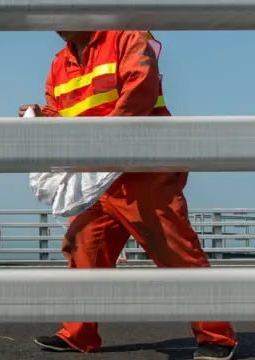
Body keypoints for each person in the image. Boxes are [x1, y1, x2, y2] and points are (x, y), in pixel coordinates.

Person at [18, 31, 238, 360]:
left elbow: (142, 89)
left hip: (143, 172)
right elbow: (61, 114)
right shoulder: (59, 63)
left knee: (176, 252)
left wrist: (106, 146)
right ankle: (79, 334)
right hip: (98, 177)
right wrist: (41, 114)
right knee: (83, 248)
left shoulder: (125, 37)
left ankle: (217, 337)